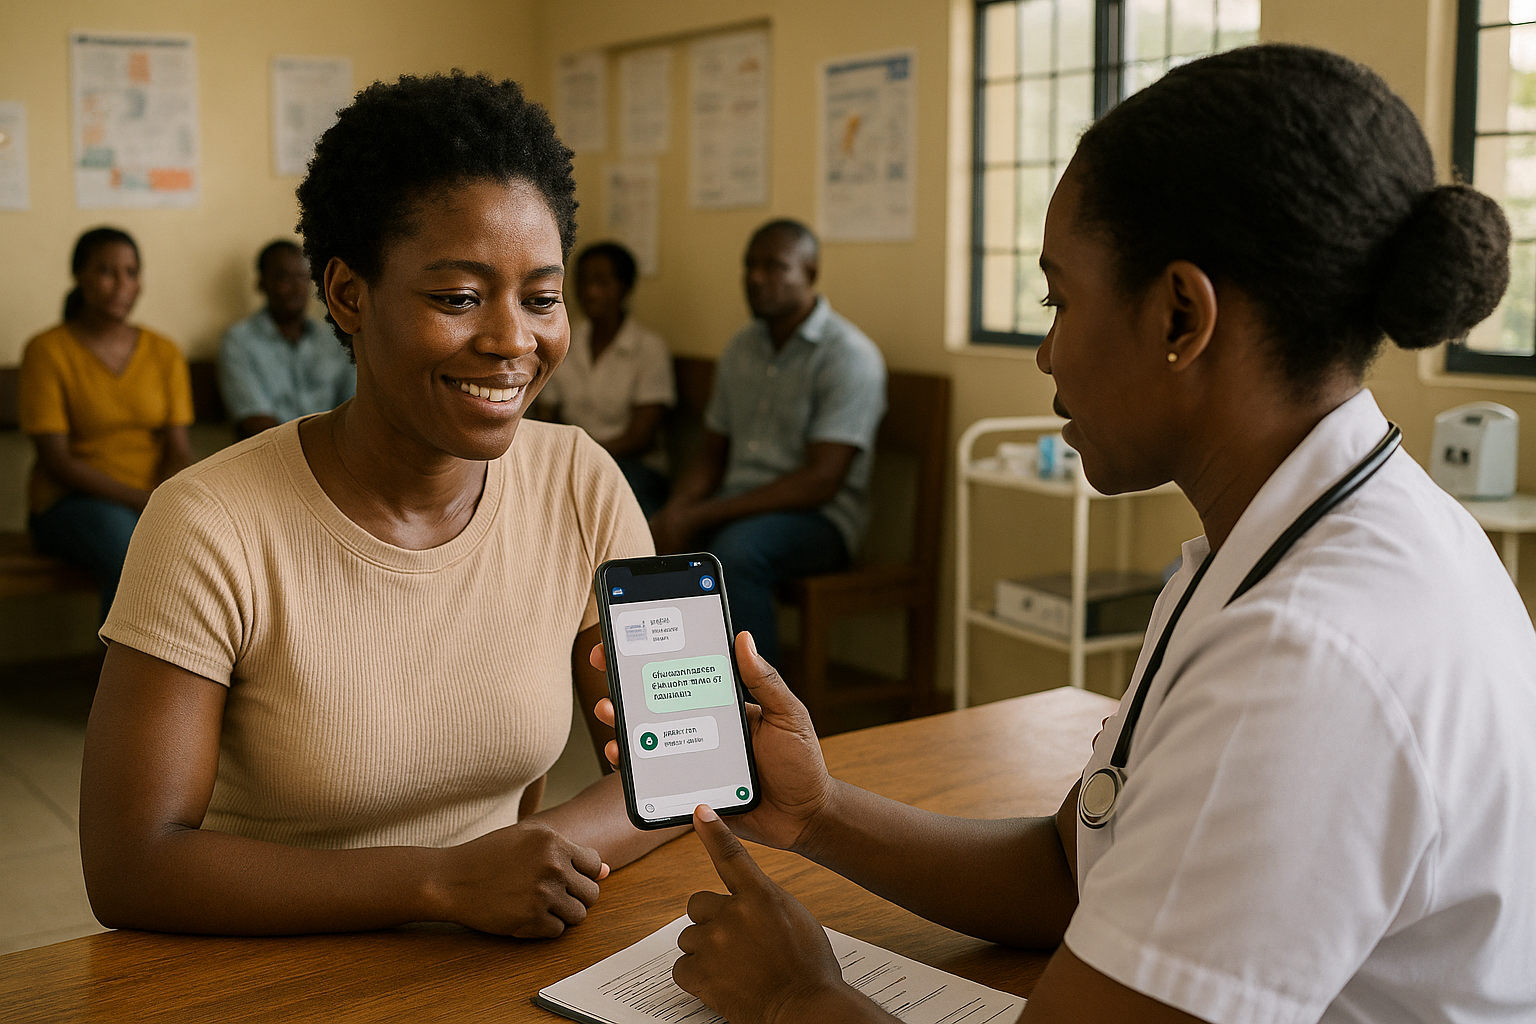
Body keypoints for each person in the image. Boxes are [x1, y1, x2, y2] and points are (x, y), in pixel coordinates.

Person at [592, 45, 1536, 1023]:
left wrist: (798, 996)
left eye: (1059, 300)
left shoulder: (1308, 655)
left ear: (1180, 315)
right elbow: (1073, 868)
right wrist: (818, 811)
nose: (1045, 352)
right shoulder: (1301, 540)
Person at [78, 72, 679, 939]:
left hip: (495, 951)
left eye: (542, 298)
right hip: (266, 969)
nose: (513, 340)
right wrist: (441, 883)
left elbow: (684, 762)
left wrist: (529, 859)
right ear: (348, 295)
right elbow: (131, 865)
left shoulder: (581, 481)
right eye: (458, 298)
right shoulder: (207, 524)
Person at [649, 220, 886, 665]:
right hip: (736, 506)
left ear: (810, 273)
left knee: (736, 552)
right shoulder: (741, 348)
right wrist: (677, 513)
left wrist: (703, 514)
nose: (756, 278)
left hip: (819, 520)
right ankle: (680, 686)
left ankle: (760, 700)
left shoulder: (847, 356)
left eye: (775, 266)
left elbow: (821, 481)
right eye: (750, 266)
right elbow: (711, 454)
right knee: (646, 527)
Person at [19, 227, 193, 623]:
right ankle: (124, 664)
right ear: (79, 277)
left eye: (131, 272)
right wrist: (140, 501)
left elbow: (178, 448)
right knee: (131, 550)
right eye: (105, 271)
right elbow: (57, 461)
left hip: (150, 499)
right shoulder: (47, 350)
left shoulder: (163, 351)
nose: (121, 285)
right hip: (70, 504)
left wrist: (166, 500)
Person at [538, 241, 674, 516]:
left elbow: (641, 438)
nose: (589, 291)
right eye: (582, 281)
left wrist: (582, 456)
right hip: (570, 462)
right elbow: (546, 416)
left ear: (625, 288)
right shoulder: (565, 342)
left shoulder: (648, 349)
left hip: (631, 466)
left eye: (601, 282)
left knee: (594, 506)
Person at [217, 239, 357, 440]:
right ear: (261, 283)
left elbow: (356, 405)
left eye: (302, 277)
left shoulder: (334, 338)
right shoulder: (239, 342)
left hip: (337, 447)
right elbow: (254, 421)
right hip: (272, 451)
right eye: (283, 277)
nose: (296, 287)